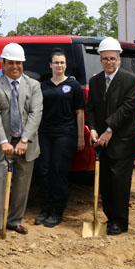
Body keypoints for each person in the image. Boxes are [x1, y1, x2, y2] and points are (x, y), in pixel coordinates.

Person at [0, 43, 43, 237]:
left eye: (18, 63)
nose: (15, 66)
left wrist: (25, 139)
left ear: (23, 64)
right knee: (0, 181)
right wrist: (3, 141)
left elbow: (36, 113)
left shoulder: (33, 85)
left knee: (22, 186)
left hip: (26, 143)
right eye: (11, 63)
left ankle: (14, 221)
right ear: (3, 63)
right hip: (2, 143)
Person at [85, 37, 135, 235]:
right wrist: (92, 128)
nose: (109, 62)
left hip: (122, 140)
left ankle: (120, 221)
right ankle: (110, 218)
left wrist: (109, 130)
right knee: (105, 183)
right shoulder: (95, 80)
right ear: (100, 59)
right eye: (105, 59)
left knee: (120, 183)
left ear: (119, 58)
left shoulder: (130, 79)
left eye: (112, 59)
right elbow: (90, 108)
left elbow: (127, 109)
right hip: (101, 141)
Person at [35, 49, 85, 228]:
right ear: (50, 65)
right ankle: (45, 209)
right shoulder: (44, 86)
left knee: (58, 171)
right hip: (45, 133)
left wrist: (80, 137)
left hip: (65, 133)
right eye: (56, 62)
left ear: (66, 65)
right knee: (44, 171)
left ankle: (57, 211)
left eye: (62, 62)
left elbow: (80, 112)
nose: (59, 65)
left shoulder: (73, 85)